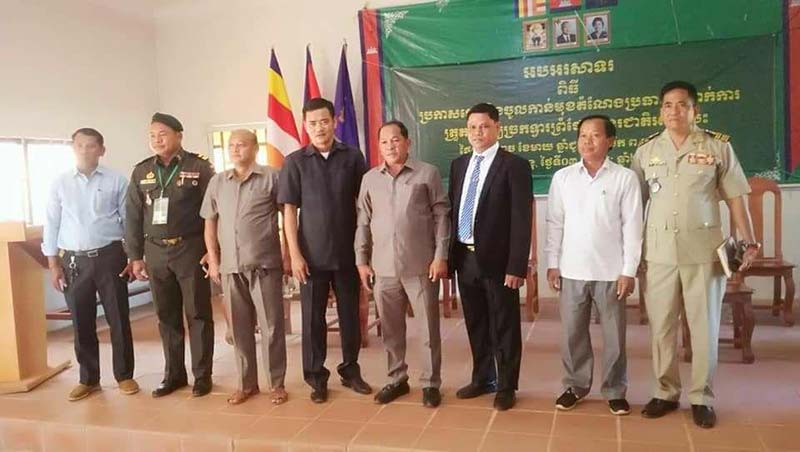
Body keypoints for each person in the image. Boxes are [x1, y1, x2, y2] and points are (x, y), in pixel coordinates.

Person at [631, 80, 759, 428]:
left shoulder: (718, 147)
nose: (674, 111)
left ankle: (702, 397)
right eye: (668, 105)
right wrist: (631, 253)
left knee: (704, 328)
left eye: (682, 105)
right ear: (660, 111)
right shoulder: (646, 151)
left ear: (695, 110)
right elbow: (634, 205)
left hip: (704, 252)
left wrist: (749, 241)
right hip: (659, 253)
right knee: (661, 328)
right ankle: (665, 392)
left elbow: (736, 198)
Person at [545, 115, 642, 416]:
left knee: (614, 337)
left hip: (611, 273)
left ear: (610, 141)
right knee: (572, 334)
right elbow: (555, 223)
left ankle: (615, 390)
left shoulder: (625, 178)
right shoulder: (563, 178)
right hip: (571, 269)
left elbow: (633, 227)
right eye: (583, 135)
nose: (587, 141)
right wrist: (552, 263)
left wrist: (629, 270)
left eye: (595, 135)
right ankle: (574, 386)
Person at [278, 97, 372, 403]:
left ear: (334, 122)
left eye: (324, 121)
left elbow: (364, 205)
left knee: (350, 316)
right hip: (311, 256)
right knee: (312, 319)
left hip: (347, 254)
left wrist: (364, 251)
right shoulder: (295, 161)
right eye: (313, 123)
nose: (319, 128)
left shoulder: (353, 157)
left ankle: (350, 370)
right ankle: (316, 377)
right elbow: (288, 211)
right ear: (305, 126)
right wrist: (294, 255)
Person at [355, 120, 450, 408]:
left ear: (407, 142)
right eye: (384, 142)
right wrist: (361, 260)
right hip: (383, 268)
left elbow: (441, 216)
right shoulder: (370, 178)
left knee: (428, 329)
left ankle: (430, 383)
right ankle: (397, 379)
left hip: (421, 265)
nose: (390, 146)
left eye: (395, 140)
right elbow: (363, 221)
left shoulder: (427, 173)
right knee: (391, 329)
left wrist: (441, 255)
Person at [448, 102, 533, 411]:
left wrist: (517, 266)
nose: (477, 132)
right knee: (476, 322)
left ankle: (507, 385)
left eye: (484, 126)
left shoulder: (514, 165)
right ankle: (483, 377)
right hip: (465, 258)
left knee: (504, 326)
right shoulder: (459, 165)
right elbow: (453, 210)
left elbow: (521, 219)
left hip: (499, 262)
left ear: (497, 127)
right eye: (472, 127)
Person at [42, 128, 137, 401]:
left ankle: (124, 375)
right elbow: (52, 223)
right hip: (73, 261)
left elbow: (128, 222)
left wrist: (133, 257)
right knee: (81, 322)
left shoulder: (117, 180)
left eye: (91, 145)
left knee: (118, 318)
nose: (85, 150)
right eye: (80, 145)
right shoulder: (60, 183)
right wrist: (53, 264)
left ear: (102, 150)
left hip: (110, 257)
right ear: (73, 148)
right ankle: (88, 379)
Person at [126, 112, 215, 398]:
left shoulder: (199, 167)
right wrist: (135, 256)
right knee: (166, 316)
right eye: (152, 136)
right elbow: (133, 216)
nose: (157, 140)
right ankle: (174, 375)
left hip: (190, 249)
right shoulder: (141, 171)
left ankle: (202, 375)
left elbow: (214, 213)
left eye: (162, 134)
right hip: (155, 251)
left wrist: (212, 251)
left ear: (179, 135)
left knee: (198, 313)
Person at [202, 129, 290, 406]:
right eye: (232, 145)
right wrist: (213, 259)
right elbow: (209, 222)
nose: (235, 149)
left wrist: (288, 253)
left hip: (265, 264)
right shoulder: (218, 182)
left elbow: (287, 216)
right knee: (239, 329)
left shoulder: (272, 177)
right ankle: (246, 384)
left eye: (241, 145)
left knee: (271, 326)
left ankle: (276, 384)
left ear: (255, 148)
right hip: (230, 267)